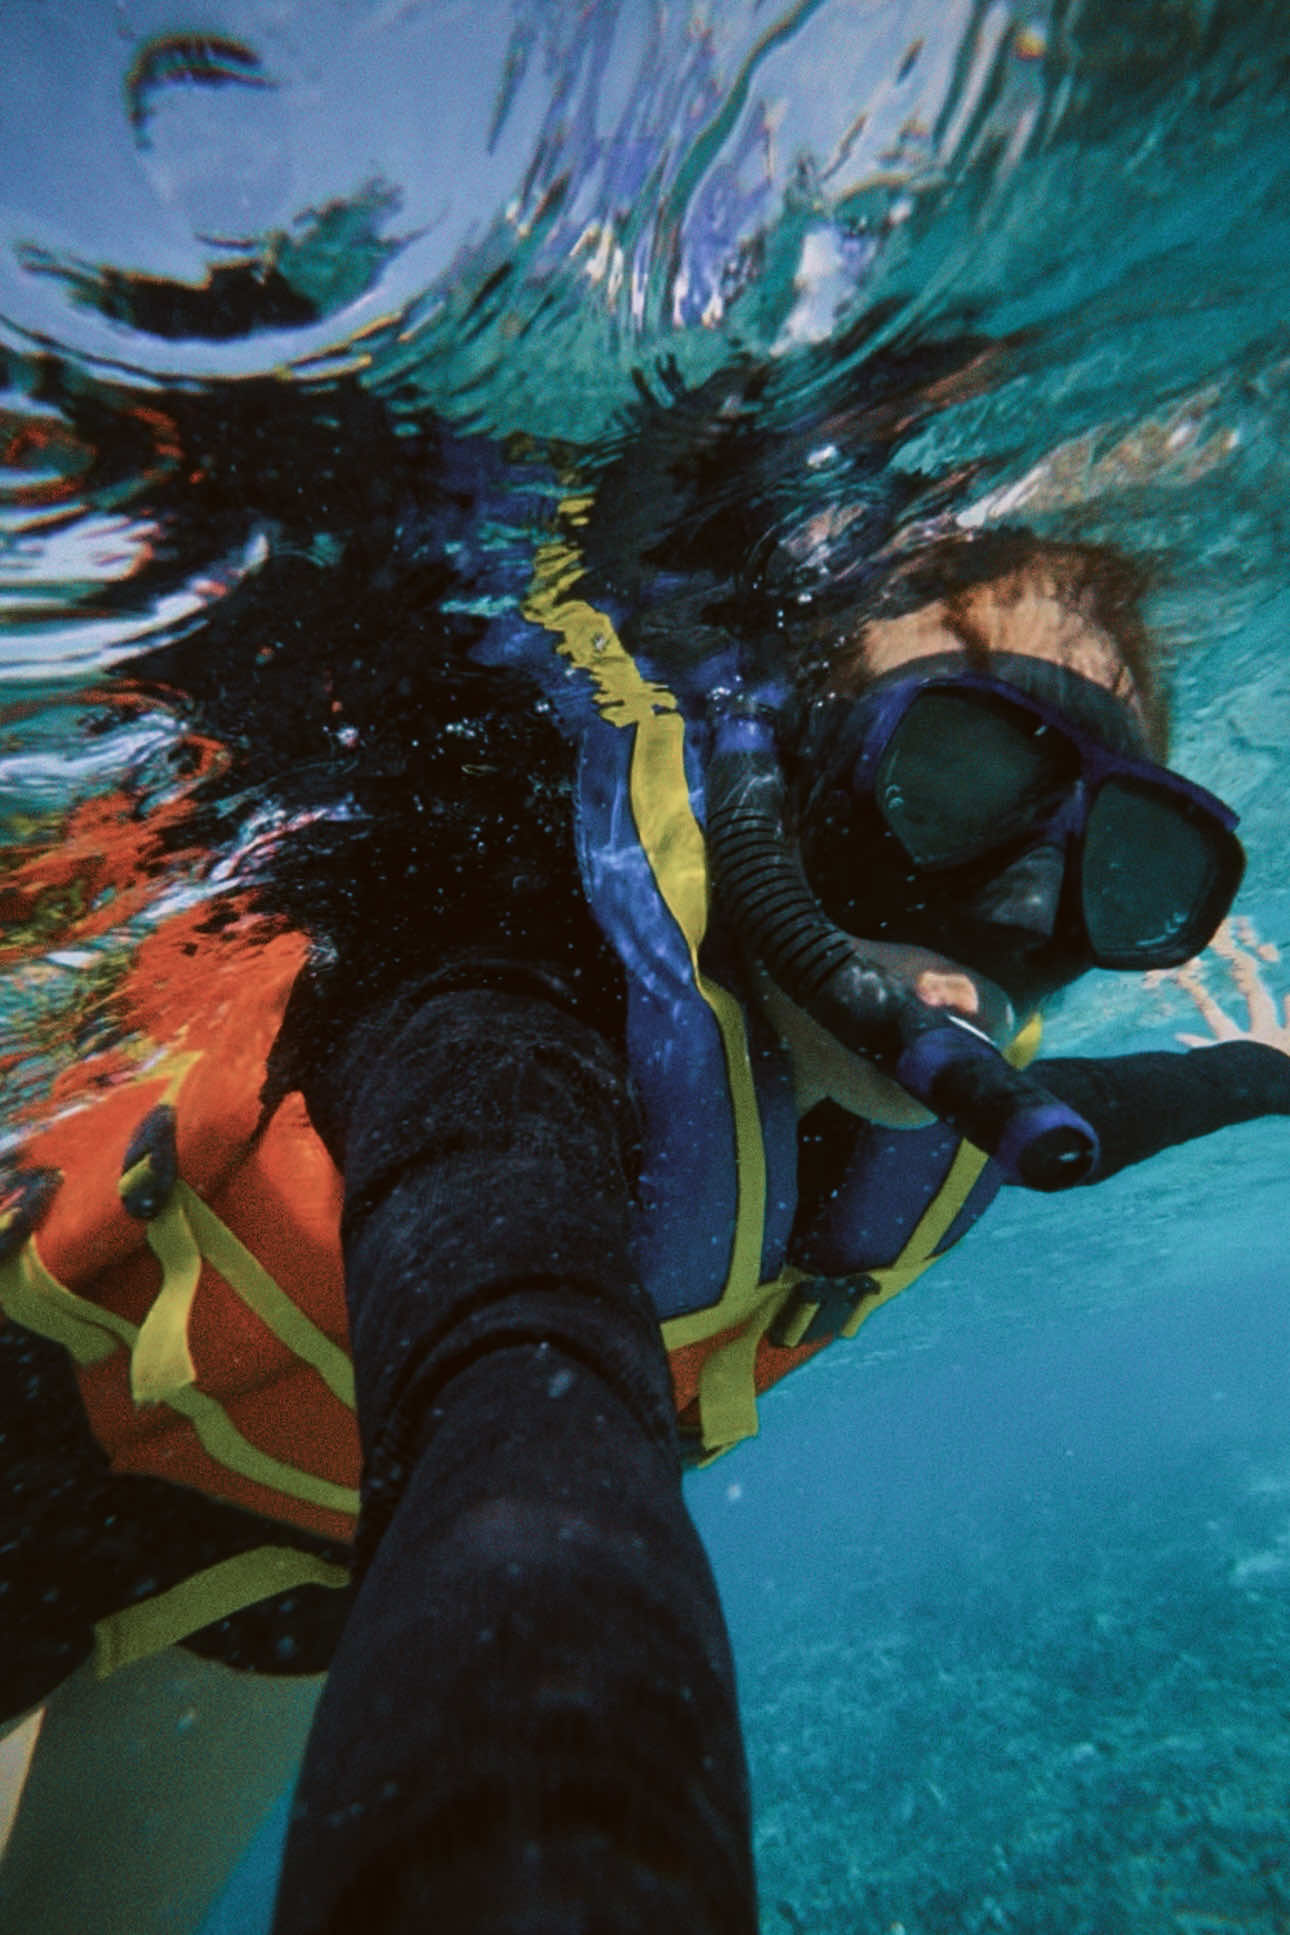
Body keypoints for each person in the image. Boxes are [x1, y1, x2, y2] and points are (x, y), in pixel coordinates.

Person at [0, 385, 1288, 1935]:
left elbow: (1096, 1117)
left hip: (298, 1589)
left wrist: (1253, 1073)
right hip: (38, 1464)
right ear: (777, 775)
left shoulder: (945, 1126)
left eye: (1124, 864)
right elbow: (518, 1347)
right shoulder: (485, 1015)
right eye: (954, 781)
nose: (1019, 914)